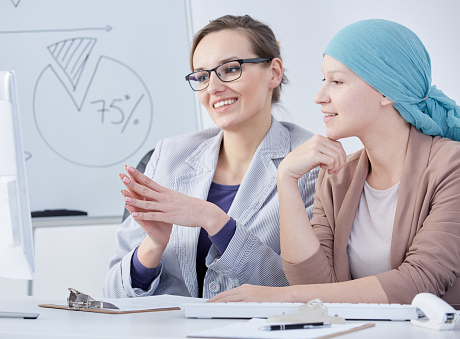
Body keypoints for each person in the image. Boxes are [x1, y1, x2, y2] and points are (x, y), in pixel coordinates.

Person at [209, 19, 460, 306]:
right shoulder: (338, 177)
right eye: (323, 80)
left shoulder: (452, 166)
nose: (319, 97)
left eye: (337, 82)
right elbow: (316, 287)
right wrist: (286, 179)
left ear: (387, 91)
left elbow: (419, 283)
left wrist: (276, 297)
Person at [103, 15, 318, 299]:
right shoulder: (169, 156)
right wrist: (153, 246)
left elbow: (307, 289)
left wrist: (214, 220)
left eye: (230, 69)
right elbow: (111, 294)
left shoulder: (311, 163)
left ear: (274, 72)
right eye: (202, 76)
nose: (213, 87)